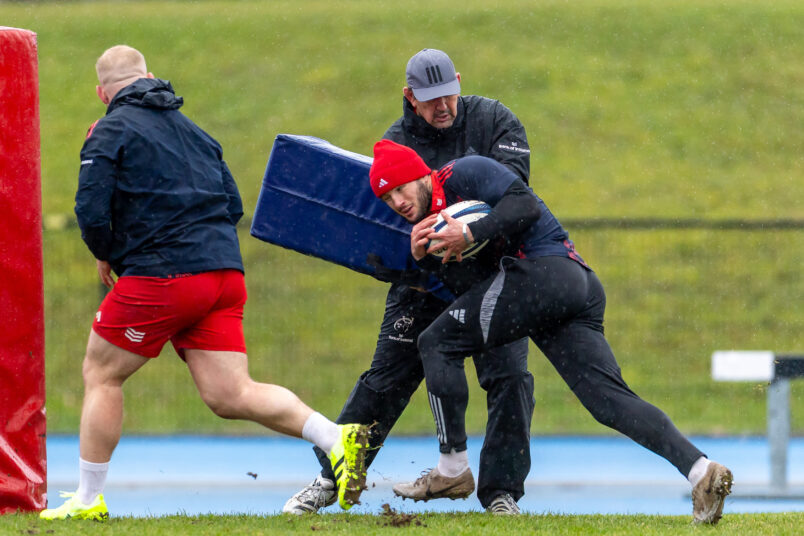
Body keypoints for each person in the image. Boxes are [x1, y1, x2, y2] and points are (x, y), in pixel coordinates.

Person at [39, 45, 368, 522]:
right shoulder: (196, 132)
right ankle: (335, 436)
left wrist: (106, 252)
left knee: (102, 374)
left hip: (162, 275)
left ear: (101, 93)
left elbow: (90, 210)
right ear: (150, 76)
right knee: (229, 394)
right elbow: (232, 202)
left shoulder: (108, 129)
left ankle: (88, 499)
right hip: (223, 274)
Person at [367, 139, 735, 525]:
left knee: (436, 342)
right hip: (569, 287)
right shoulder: (432, 225)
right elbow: (476, 285)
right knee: (608, 401)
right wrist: (427, 259)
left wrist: (471, 234)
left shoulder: (463, 171)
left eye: (400, 187)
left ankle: (452, 468)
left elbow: (524, 205)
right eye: (387, 198)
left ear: (422, 174)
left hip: (549, 274)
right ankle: (701, 471)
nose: (398, 202)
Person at [284, 48, 535, 516]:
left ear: (458, 82)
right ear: (409, 97)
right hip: (422, 280)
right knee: (383, 381)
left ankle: (501, 494)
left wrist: (458, 225)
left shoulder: (496, 120)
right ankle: (330, 477)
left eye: (448, 94)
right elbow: (382, 227)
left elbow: (512, 197)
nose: (442, 106)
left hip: (492, 278)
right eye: (429, 99)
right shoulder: (395, 144)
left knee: (510, 379)